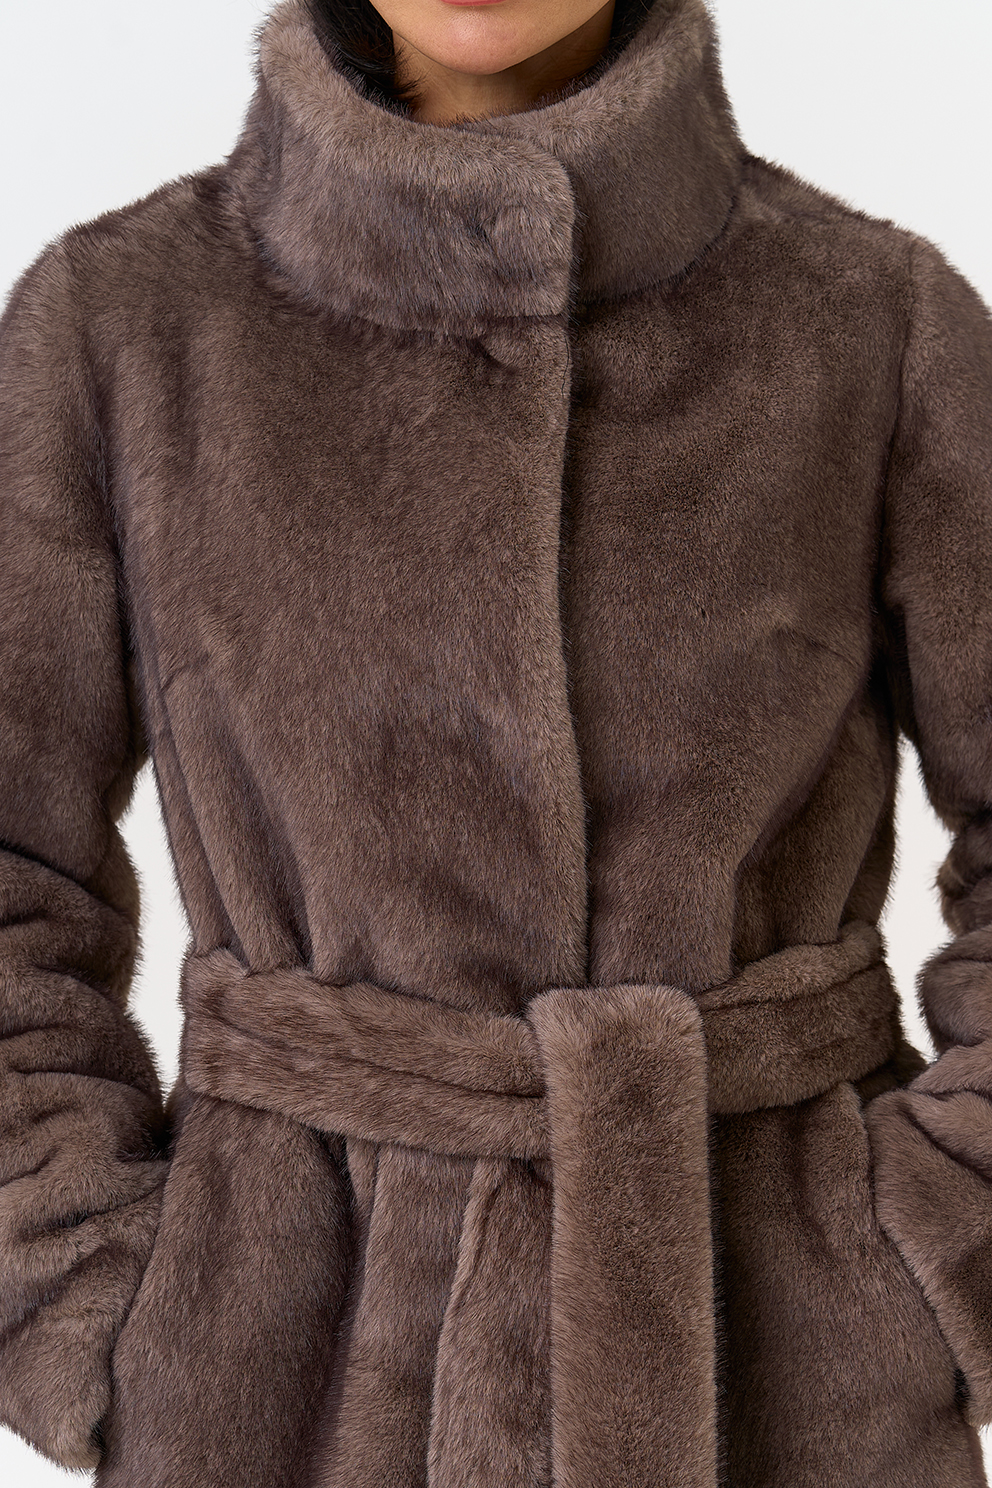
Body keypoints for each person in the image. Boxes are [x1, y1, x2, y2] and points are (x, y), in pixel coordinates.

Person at [1, 1, 991, 1484]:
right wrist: (86, 1295)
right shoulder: (121, 325)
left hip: (790, 1373)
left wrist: (941, 1247)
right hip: (281, 1376)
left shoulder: (875, 321)